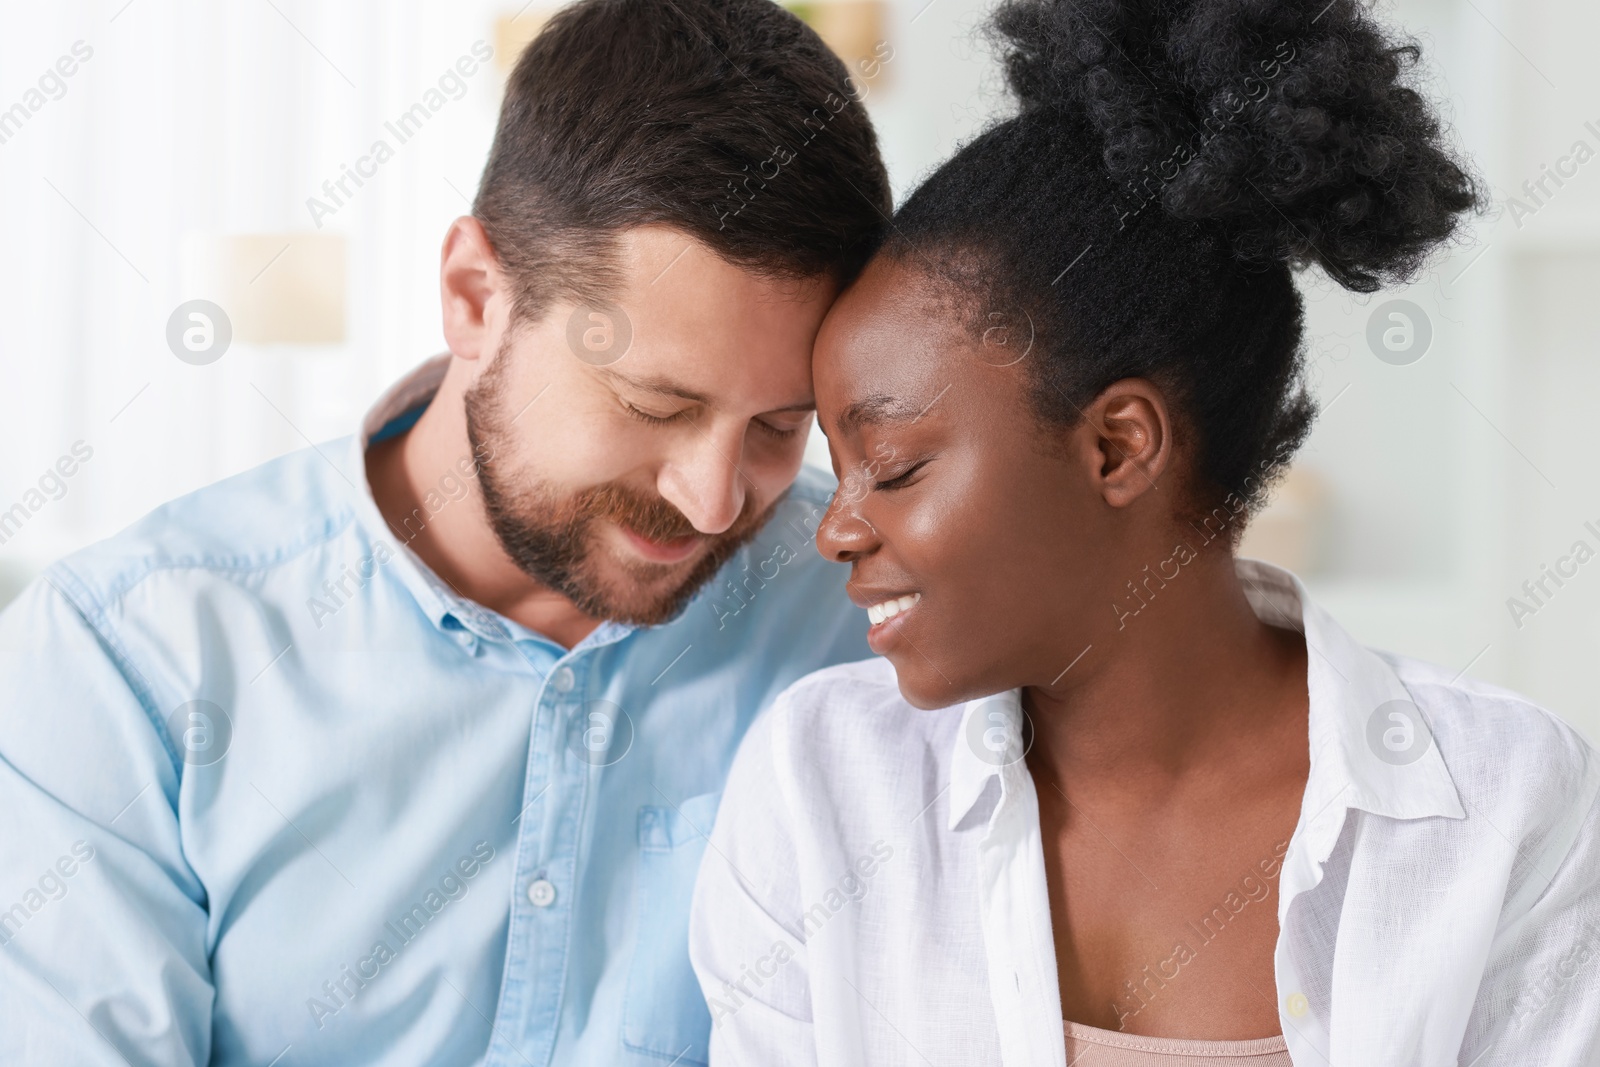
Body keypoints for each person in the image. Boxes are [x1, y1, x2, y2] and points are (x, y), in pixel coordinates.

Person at [689, 0, 1600, 1064]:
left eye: (890, 468)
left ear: (1118, 446)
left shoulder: (1503, 804)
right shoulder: (818, 791)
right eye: (837, 474)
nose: (836, 529)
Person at [0, 2, 890, 1064]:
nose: (710, 501)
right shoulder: (129, 660)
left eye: (779, 427)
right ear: (474, 295)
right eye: (655, 406)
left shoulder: (867, 620)